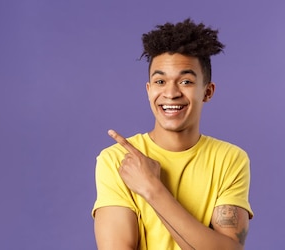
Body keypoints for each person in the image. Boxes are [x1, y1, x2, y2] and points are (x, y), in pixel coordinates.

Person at [92, 18, 253, 250]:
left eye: (186, 81)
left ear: (207, 92)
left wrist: (152, 188)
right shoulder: (117, 161)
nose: (170, 93)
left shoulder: (230, 159)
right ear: (149, 91)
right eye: (160, 81)